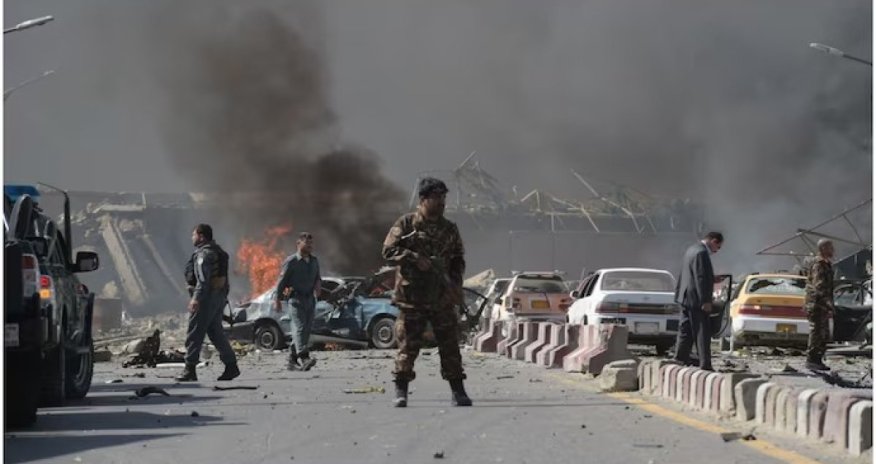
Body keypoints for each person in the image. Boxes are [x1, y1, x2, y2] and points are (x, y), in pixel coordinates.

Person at [382, 177, 471, 407]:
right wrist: (413, 258)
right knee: (407, 347)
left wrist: (455, 283)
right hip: (412, 298)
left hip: (441, 297)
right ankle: (401, 390)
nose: (442, 202)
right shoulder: (406, 224)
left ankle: (458, 391)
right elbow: (388, 251)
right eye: (437, 197)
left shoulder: (449, 229)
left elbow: (458, 259)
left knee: (450, 345)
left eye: (443, 198)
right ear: (423, 199)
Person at [176, 224, 240, 382]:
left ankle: (189, 369)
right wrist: (223, 298)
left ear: (202, 236)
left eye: (194, 235)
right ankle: (231, 365)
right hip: (217, 297)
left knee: (194, 332)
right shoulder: (219, 252)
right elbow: (225, 280)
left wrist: (196, 298)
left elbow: (203, 281)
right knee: (215, 332)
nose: (192, 238)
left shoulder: (204, 254)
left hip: (206, 298)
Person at [673, 231, 723, 371]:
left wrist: (712, 279)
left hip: (685, 297)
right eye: (718, 247)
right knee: (702, 331)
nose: (716, 251)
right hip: (696, 299)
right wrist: (705, 301)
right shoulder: (701, 253)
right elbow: (700, 277)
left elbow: (692, 274)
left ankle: (679, 358)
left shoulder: (692, 249)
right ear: (713, 241)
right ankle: (705, 363)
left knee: (685, 329)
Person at [274, 232, 321, 371]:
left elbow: (318, 277)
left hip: (310, 299)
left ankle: (292, 360)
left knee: (306, 330)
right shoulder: (291, 261)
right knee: (299, 328)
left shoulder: (314, 261)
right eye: (307, 243)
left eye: (311, 244)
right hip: (295, 299)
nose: (310, 246)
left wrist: (318, 286)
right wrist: (277, 299)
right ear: (298, 243)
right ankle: (304, 357)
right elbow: (281, 282)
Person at [804, 239, 834, 372]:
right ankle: (811, 360)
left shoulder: (826, 264)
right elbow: (819, 286)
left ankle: (817, 359)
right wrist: (827, 302)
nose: (833, 250)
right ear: (823, 249)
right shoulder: (819, 265)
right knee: (817, 332)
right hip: (816, 304)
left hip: (822, 304)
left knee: (824, 333)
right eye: (830, 247)